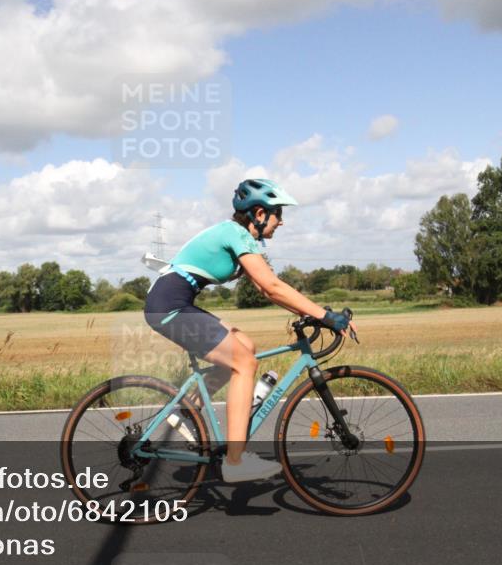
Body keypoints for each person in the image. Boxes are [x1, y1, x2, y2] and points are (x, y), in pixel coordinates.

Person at [143, 178, 357, 483]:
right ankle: (235, 462)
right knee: (243, 362)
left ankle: (187, 410)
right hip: (169, 307)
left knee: (245, 345)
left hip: (173, 303)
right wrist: (325, 316)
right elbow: (272, 287)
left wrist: (310, 313)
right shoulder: (237, 235)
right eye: (277, 214)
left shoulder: (242, 238)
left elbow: (264, 287)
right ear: (259, 213)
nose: (280, 222)